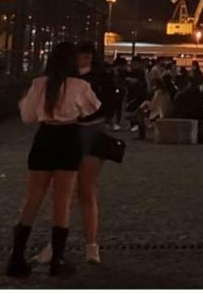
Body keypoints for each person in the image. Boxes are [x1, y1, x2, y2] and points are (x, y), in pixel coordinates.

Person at [8, 41, 100, 278]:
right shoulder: (80, 85)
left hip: (44, 137)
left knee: (33, 198)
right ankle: (57, 260)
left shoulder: (39, 84)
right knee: (63, 200)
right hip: (68, 139)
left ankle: (16, 257)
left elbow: (27, 116)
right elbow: (92, 108)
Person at [33, 42, 118, 267]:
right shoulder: (68, 79)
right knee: (64, 193)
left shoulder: (98, 78)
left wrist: (78, 115)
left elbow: (109, 105)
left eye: (88, 56)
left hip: (88, 133)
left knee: (85, 190)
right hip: (70, 134)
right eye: (81, 55)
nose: (84, 59)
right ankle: (58, 245)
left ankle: (91, 245)